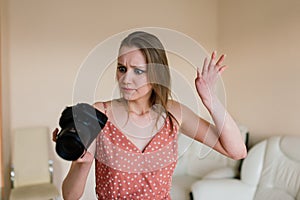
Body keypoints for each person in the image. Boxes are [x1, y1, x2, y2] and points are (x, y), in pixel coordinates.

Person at [52, 31, 247, 200]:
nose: (126, 79)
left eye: (138, 71)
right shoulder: (100, 114)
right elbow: (70, 195)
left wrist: (210, 99)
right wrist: (81, 162)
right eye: (122, 68)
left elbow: (237, 151)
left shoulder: (174, 113)